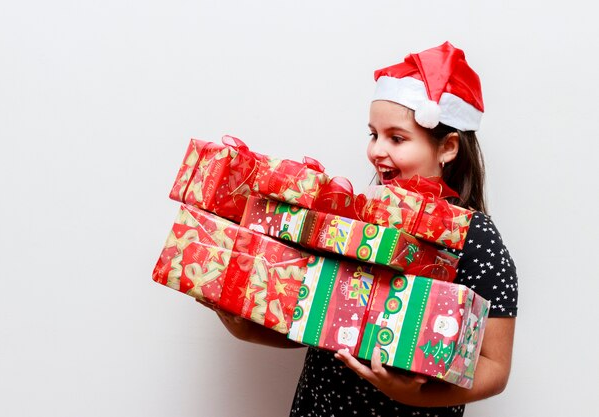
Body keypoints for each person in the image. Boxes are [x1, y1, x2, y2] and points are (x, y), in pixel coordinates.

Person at [210, 41, 518, 417]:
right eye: (374, 134)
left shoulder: (475, 237)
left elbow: (495, 369)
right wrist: (246, 327)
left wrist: (410, 395)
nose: (376, 150)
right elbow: (322, 322)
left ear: (448, 147)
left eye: (397, 138)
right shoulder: (356, 218)